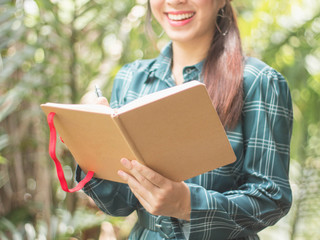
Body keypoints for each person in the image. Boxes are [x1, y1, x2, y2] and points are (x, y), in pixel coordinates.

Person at [76, 0, 293, 239]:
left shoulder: (259, 82)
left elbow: (272, 197)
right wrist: (92, 149)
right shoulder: (131, 79)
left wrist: (186, 204)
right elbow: (120, 204)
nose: (175, 1)